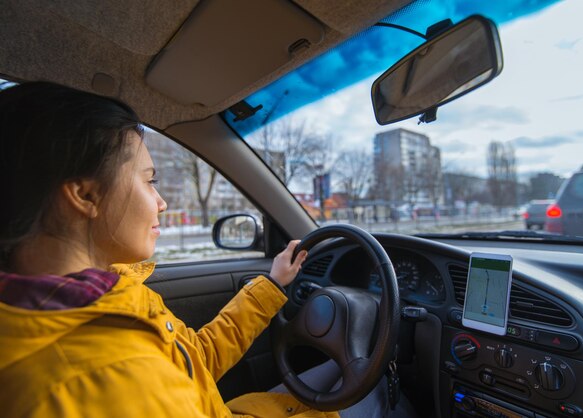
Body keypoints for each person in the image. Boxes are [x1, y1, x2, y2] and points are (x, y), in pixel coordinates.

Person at [0, 82, 415, 418]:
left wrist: (272, 286)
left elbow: (193, 357)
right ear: (86, 195)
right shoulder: (115, 378)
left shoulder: (106, 298)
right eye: (149, 181)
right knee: (384, 391)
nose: (160, 202)